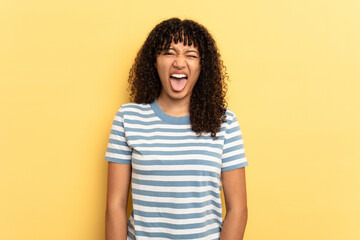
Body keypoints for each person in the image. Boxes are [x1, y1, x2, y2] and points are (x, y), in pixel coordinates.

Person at [105, 18, 248, 240]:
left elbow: (238, 210)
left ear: (202, 66)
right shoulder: (128, 118)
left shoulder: (224, 122)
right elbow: (115, 205)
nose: (179, 63)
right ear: (154, 61)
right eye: (169, 52)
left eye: (191, 55)